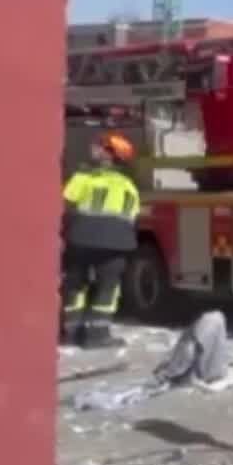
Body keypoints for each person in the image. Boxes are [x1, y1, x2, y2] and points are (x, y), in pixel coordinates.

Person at [61, 132, 142, 348]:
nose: (93, 148)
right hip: (117, 245)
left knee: (75, 285)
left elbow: (63, 204)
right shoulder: (129, 187)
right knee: (108, 287)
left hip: (81, 240)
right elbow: (132, 216)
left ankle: (71, 332)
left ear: (109, 155)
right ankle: (97, 335)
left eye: (99, 146)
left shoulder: (83, 179)